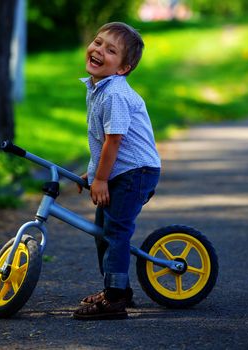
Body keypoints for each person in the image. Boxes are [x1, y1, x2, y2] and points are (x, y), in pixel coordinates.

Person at [73, 22, 161, 320]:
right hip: (123, 170)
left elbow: (114, 140)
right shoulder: (98, 87)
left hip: (136, 172)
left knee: (116, 231)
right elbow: (101, 140)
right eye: (98, 42)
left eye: (110, 50)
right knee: (103, 232)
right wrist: (93, 171)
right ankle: (117, 288)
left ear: (123, 68)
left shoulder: (115, 94)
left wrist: (100, 178)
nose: (98, 50)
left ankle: (113, 300)